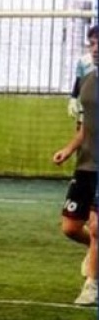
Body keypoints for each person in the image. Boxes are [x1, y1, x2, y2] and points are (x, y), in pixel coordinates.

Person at [52, 24, 98, 301]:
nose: (95, 49)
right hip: (85, 164)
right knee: (70, 227)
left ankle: (92, 284)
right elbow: (85, 127)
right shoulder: (87, 80)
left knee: (96, 227)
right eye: (92, 43)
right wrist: (68, 150)